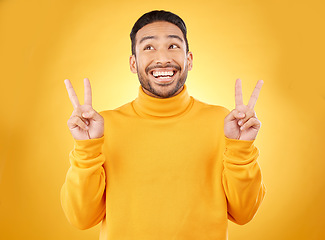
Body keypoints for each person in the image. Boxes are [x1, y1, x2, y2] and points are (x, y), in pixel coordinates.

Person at [61, 10, 266, 240]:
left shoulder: (224, 124)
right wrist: (87, 149)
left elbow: (244, 213)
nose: (162, 58)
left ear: (189, 60)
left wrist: (241, 150)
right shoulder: (102, 128)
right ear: (133, 62)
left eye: (173, 46)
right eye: (149, 47)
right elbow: (82, 218)